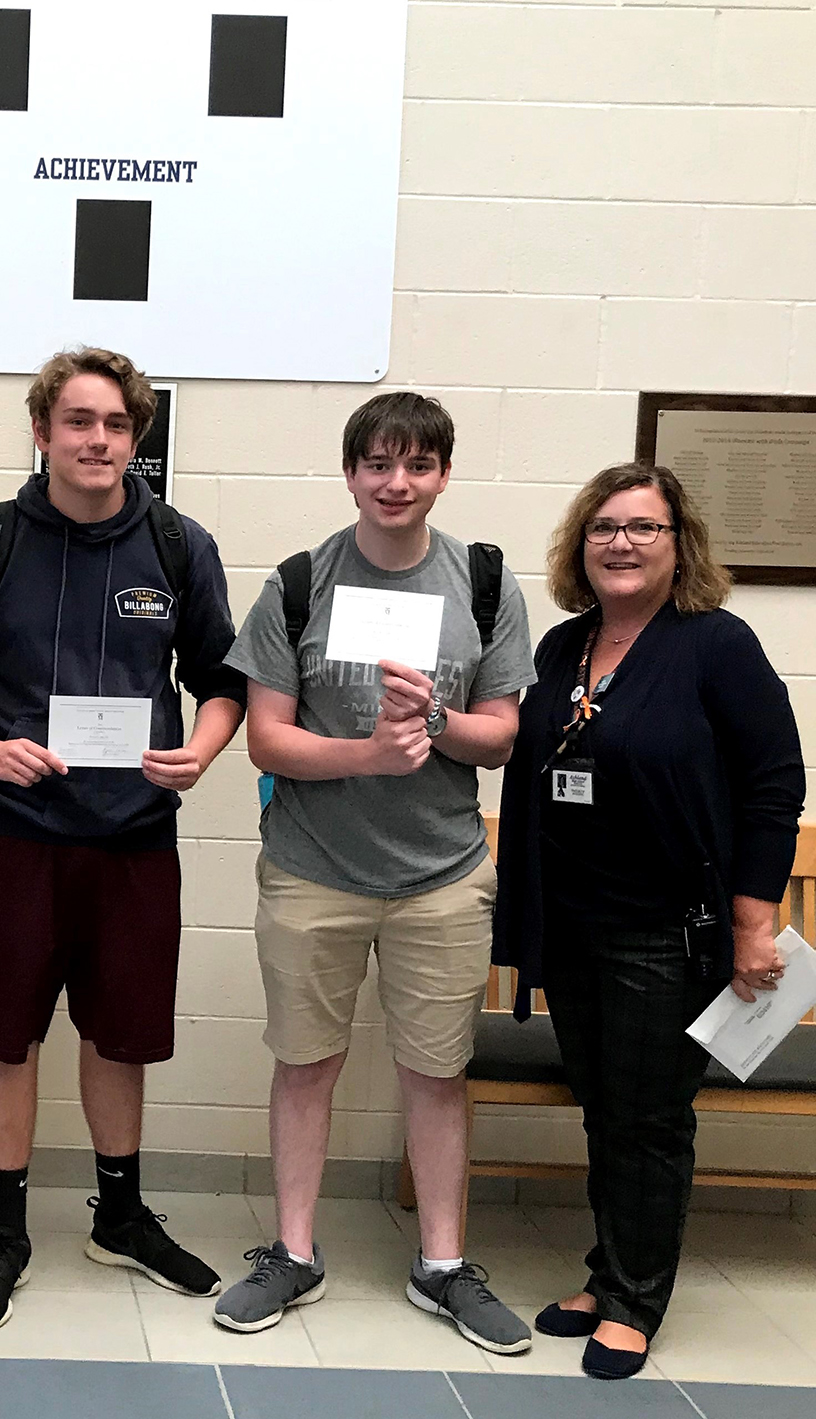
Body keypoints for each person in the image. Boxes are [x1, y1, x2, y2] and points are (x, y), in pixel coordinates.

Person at [0, 347, 247, 1332]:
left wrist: (202, 753)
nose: (97, 441)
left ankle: (122, 1218)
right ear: (43, 431)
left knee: (120, 1035)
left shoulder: (181, 545)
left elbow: (224, 681)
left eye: (115, 426)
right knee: (7, 1037)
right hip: (15, 833)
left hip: (135, 838)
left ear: (136, 440)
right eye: (78, 422)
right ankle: (6, 1232)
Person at [220, 391, 536, 1353]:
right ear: (350, 471)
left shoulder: (484, 582)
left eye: (418, 465)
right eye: (378, 465)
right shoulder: (298, 582)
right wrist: (367, 753)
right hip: (313, 870)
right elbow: (266, 742)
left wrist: (434, 722)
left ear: (443, 473)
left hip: (441, 874)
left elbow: (502, 737)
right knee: (305, 1062)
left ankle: (442, 1265)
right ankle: (294, 1251)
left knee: (436, 1073)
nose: (396, 483)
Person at [492, 463, 803, 1379]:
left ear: (680, 545)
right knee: (606, 1109)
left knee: (649, 1119)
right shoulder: (564, 646)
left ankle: (635, 1297)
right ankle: (609, 1269)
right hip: (576, 924)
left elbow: (772, 785)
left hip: (668, 932)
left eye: (643, 528)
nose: (620, 543)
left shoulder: (716, 645)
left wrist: (756, 924)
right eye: (603, 527)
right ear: (579, 544)